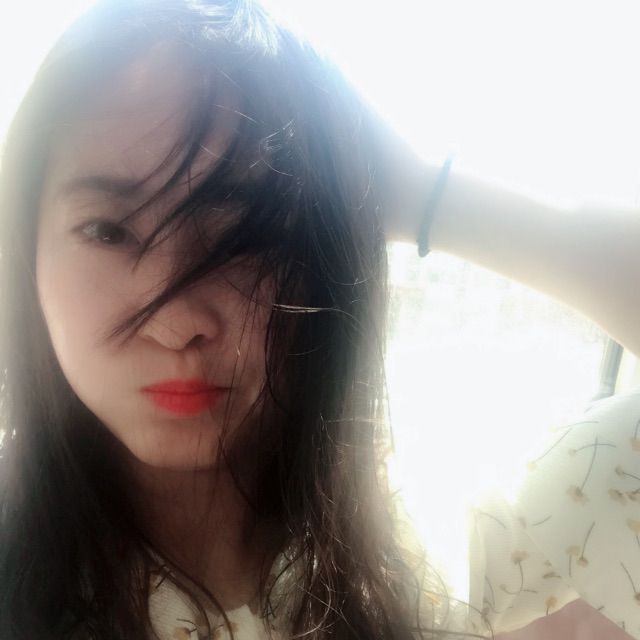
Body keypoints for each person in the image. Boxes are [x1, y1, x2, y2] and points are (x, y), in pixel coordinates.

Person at [0, 1, 637, 640]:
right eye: (107, 231)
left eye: (246, 235)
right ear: (25, 252)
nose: (176, 322)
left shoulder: (440, 538)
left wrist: (422, 194)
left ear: (321, 260)